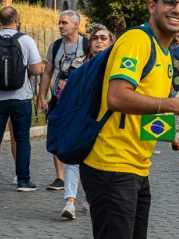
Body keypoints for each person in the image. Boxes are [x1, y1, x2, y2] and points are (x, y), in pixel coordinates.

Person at [80, 0, 179, 239]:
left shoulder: (164, 53)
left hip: (135, 167)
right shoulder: (137, 40)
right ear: (152, 6)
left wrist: (176, 136)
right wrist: (176, 105)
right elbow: (117, 97)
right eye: (169, 2)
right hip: (111, 165)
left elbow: (144, 114)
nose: (177, 10)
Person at [0, 7, 44, 191]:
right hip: (21, 97)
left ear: (0, 21)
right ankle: (23, 181)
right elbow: (36, 69)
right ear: (17, 20)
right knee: (22, 139)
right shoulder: (26, 40)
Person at [61, 25, 115, 218]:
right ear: (90, 43)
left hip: (104, 121)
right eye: (95, 38)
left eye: (103, 38)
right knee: (73, 158)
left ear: (111, 42)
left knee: (93, 162)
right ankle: (69, 202)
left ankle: (88, 196)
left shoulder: (115, 65)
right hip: (80, 116)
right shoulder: (78, 63)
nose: (99, 41)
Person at [37, 10, 89, 191]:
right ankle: (60, 177)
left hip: (80, 99)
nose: (60, 26)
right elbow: (47, 73)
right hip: (59, 98)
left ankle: (82, 173)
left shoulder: (86, 44)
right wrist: (42, 96)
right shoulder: (56, 46)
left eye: (64, 23)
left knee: (79, 134)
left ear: (75, 25)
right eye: (60, 23)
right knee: (57, 134)